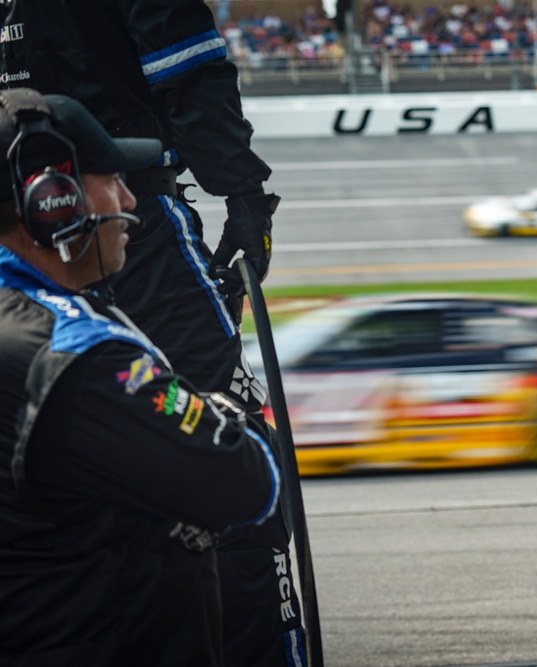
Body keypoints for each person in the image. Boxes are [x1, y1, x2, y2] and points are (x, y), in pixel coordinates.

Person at [0, 4, 307, 665]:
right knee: (244, 458)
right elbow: (190, 67)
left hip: (20, 218)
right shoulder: (120, 203)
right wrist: (245, 196)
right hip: (100, 214)